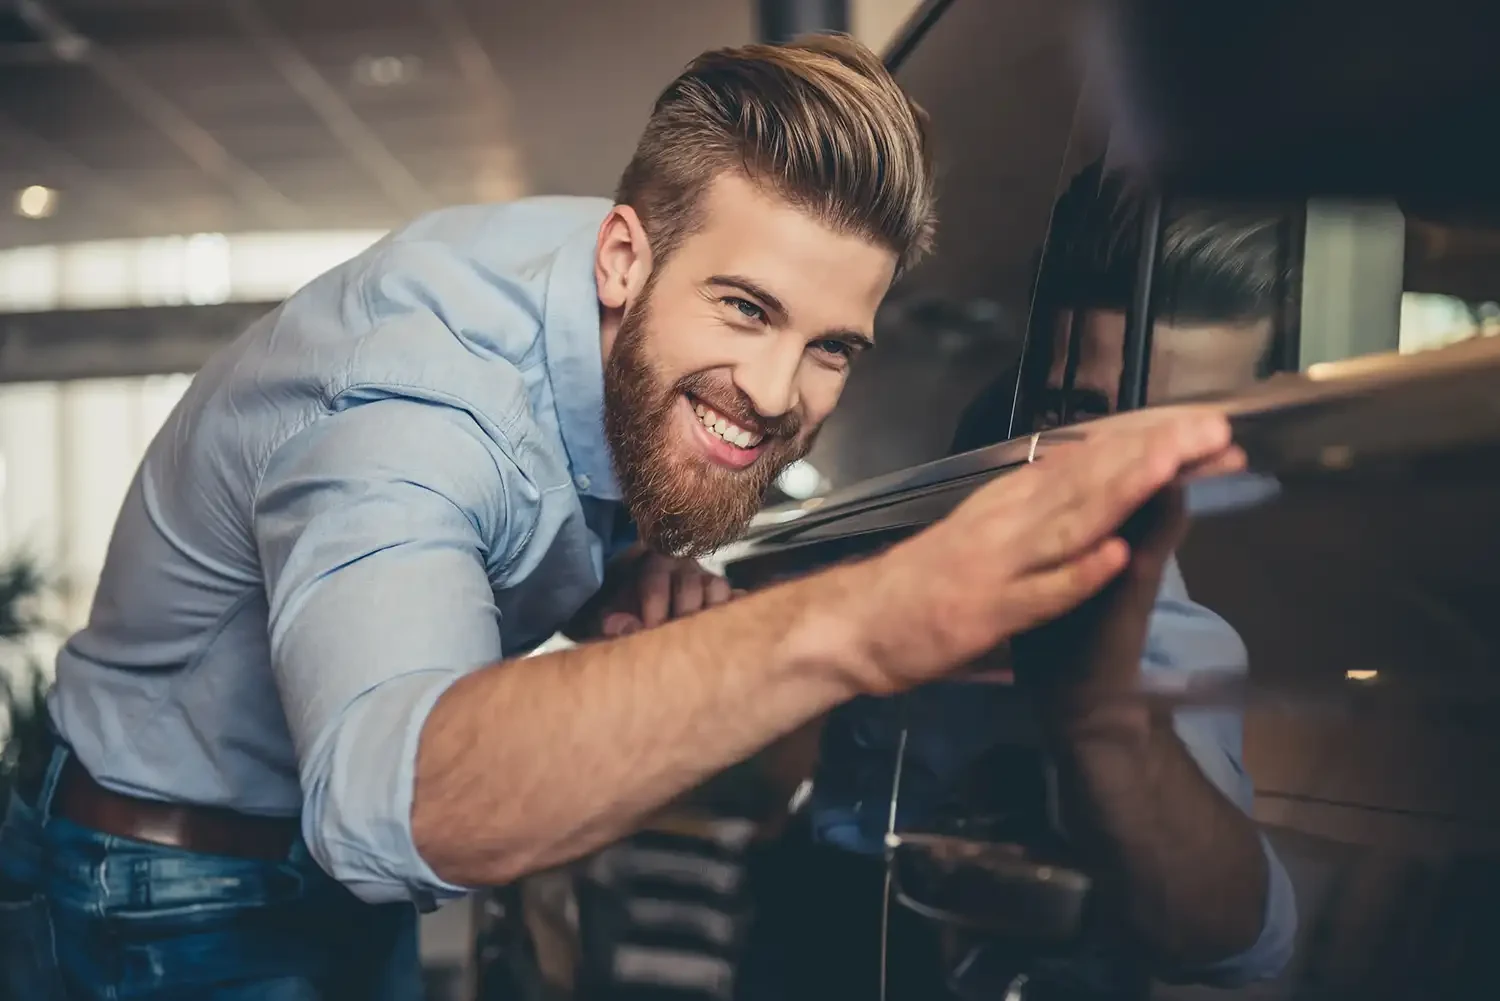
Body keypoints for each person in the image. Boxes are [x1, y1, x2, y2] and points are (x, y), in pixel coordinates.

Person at [0, 35, 1251, 1000]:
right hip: (167, 881)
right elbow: (395, 803)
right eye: (746, 310)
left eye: (833, 346)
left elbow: (606, 440)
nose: (774, 393)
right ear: (621, 259)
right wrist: (868, 619)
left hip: (316, 872)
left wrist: (626, 553)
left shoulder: (634, 287)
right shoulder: (415, 401)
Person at [785, 160, 1298, 1000]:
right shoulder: (976, 468)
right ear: (1029, 403)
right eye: (1079, 414)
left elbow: (1226, 932)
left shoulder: (1199, 584)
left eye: (1186, 428)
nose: (1131, 467)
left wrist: (1100, 720)